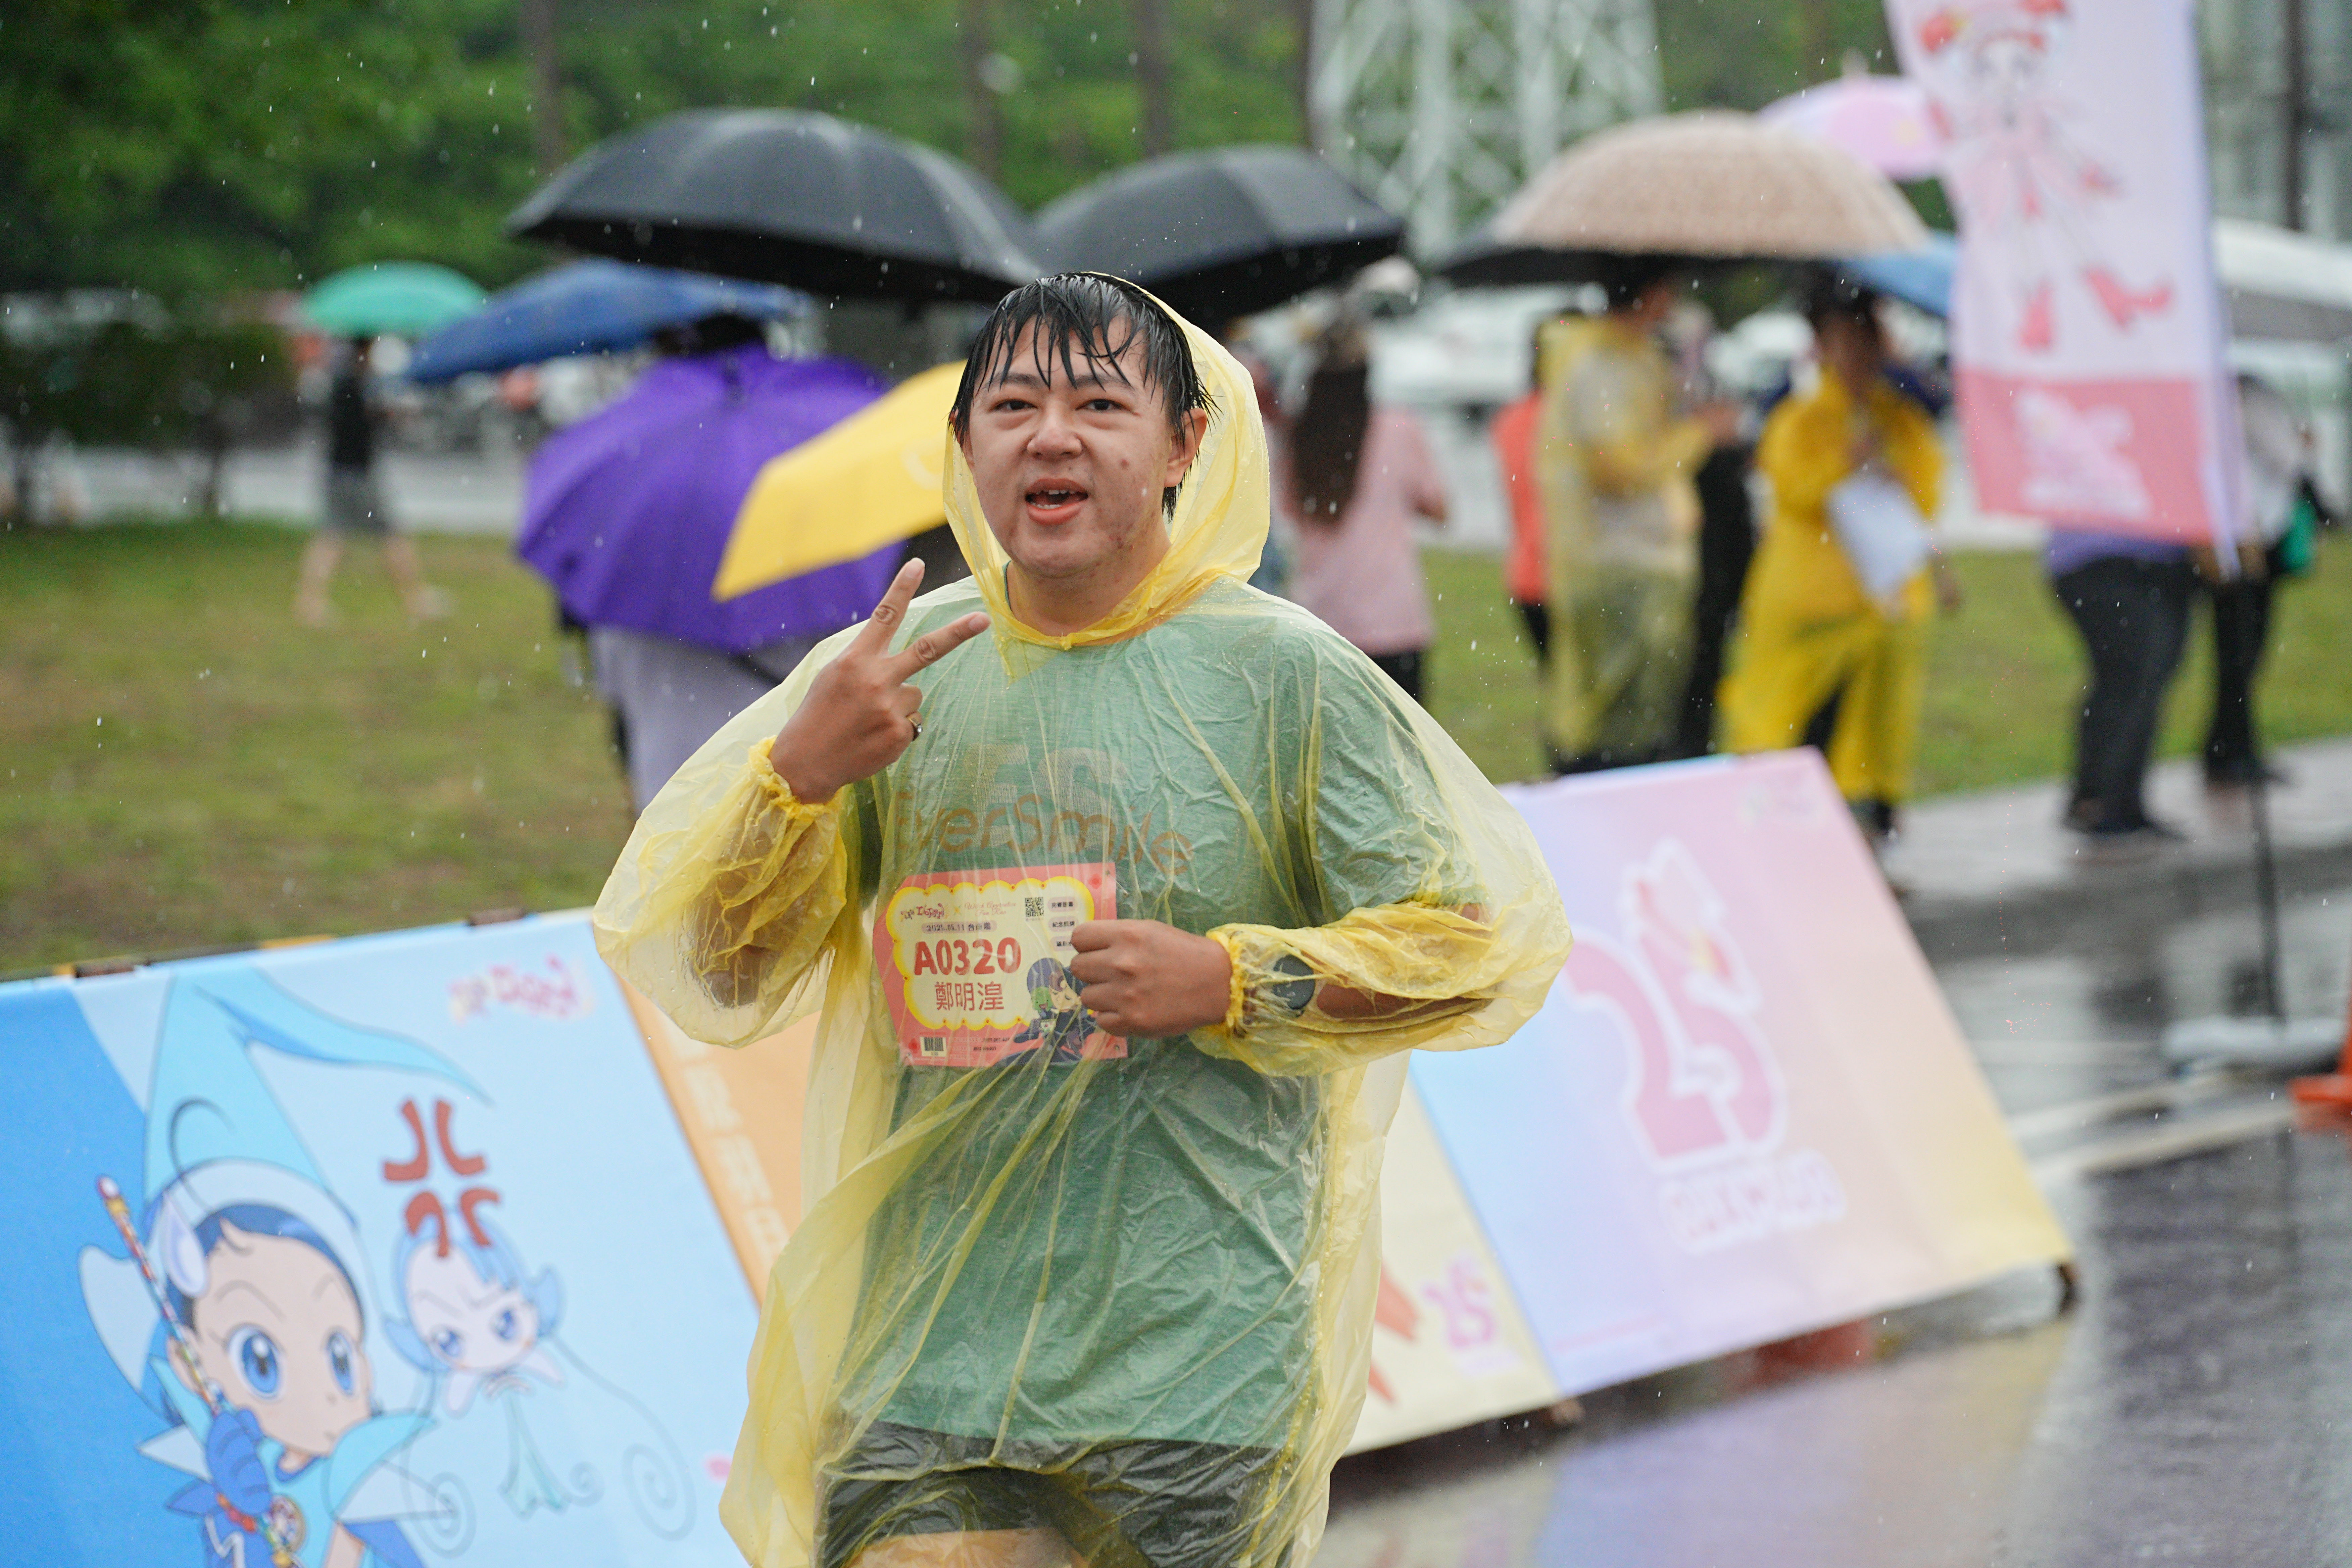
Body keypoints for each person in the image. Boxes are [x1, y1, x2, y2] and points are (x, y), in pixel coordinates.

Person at [594, 274, 1569, 1568]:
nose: (1050, 437)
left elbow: (1467, 949)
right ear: (962, 445)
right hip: (928, 1354)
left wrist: (1230, 979)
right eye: (1011, 407)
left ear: (1183, 444)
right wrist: (799, 781)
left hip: (1196, 1361)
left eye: (1099, 406)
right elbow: (724, 974)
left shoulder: (1285, 676)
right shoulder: (888, 677)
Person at [1720, 277, 1956, 844]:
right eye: (1842, 341)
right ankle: (1790, 847)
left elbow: (1926, 495)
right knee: (1795, 732)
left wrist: (1892, 472)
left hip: (1884, 609)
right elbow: (1792, 487)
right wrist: (1843, 466)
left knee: (1871, 737)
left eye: (1866, 340)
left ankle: (1863, 841)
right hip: (1813, 606)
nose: (1856, 354)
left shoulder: (1900, 419)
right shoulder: (1800, 417)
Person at [1535, 262, 1741, 772]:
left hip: (1648, 561)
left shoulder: (1638, 357)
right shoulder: (1597, 365)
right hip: (1620, 565)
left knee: (1648, 719)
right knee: (1613, 722)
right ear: (1650, 293)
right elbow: (1618, 470)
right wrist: (1700, 435)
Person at [1282, 322, 1450, 701]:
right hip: (1393, 621)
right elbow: (1438, 509)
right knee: (1401, 735)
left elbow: (1291, 512)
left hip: (1319, 622)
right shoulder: (1399, 427)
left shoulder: (1297, 435)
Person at [2199, 375, 2322, 790]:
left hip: (2243, 534)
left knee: (2238, 651)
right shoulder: (2247, 394)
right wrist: (2302, 445)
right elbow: (2286, 457)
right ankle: (2232, 749)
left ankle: (2228, 745)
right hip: (2249, 538)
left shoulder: (2221, 394)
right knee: (2242, 650)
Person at [294, 336, 449, 626]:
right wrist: (380, 414)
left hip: (343, 471)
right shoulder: (353, 385)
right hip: (356, 474)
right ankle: (416, 600)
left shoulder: (346, 382)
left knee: (334, 537)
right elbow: (355, 426)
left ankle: (310, 603)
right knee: (387, 536)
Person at [1490, 320, 1554, 666]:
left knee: (1563, 686)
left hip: (1528, 577)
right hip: (1577, 580)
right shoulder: (1579, 420)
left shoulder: (1512, 418)